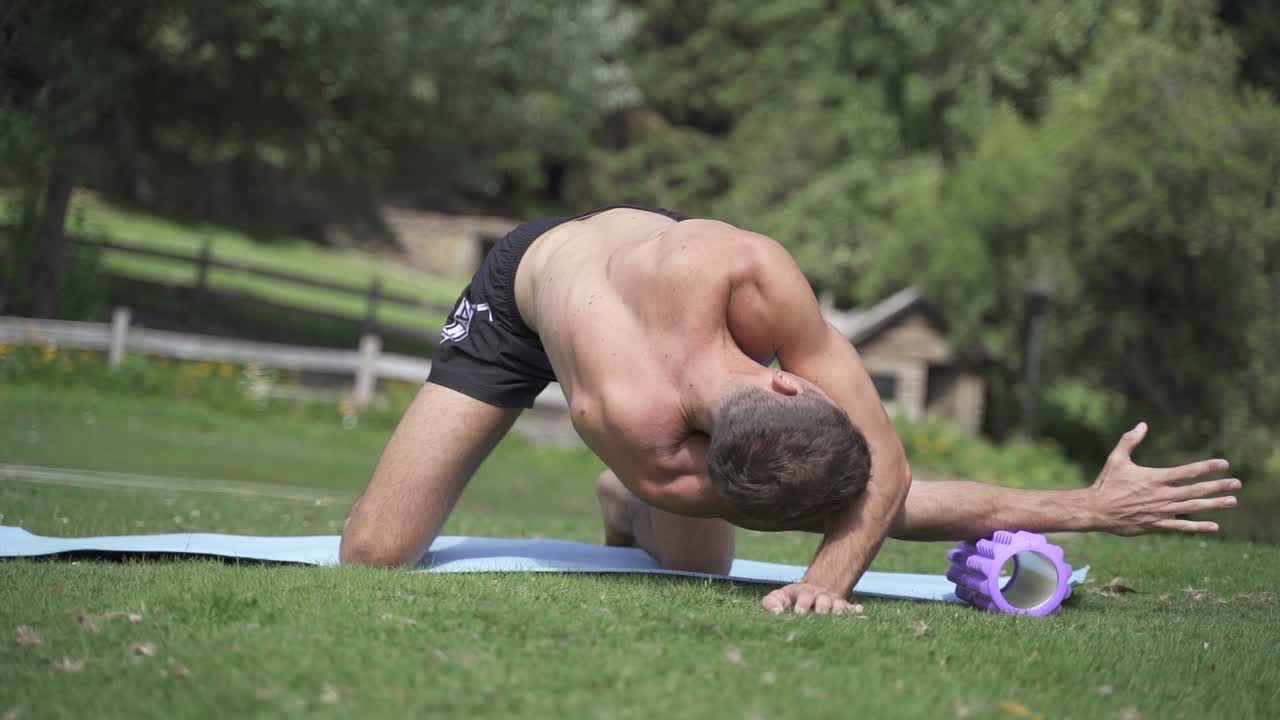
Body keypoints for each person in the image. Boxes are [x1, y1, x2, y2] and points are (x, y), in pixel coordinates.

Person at [340, 205, 1240, 615]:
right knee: (374, 554)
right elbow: (888, 498)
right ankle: (627, 502)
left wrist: (828, 579)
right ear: (781, 382)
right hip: (528, 290)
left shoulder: (750, 273)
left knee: (694, 571)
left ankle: (627, 516)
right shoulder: (640, 435)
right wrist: (1077, 510)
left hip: (650, 275)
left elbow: (882, 475)